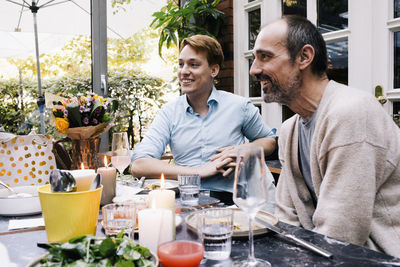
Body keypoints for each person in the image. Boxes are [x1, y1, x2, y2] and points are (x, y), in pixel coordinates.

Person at [250, 15, 400, 257]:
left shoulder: (351, 113)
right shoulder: (289, 130)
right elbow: (286, 218)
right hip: (320, 254)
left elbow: (341, 234)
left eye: (265, 57)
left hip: (378, 257)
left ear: (304, 57)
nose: (254, 69)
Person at [131, 34, 276, 206]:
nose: (184, 71)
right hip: (187, 202)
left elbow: (269, 140)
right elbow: (139, 165)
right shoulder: (169, 113)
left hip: (234, 203)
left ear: (213, 70)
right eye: (181, 64)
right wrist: (198, 172)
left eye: (193, 64)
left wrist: (245, 149)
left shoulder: (239, 106)